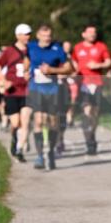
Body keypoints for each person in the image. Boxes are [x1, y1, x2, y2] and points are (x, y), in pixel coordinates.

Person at [27, 24, 71, 170]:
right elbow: (26, 61)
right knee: (38, 120)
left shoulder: (57, 49)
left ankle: (51, 152)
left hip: (52, 89)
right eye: (44, 35)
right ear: (38, 35)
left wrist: (52, 70)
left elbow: (68, 68)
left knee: (53, 122)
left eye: (49, 36)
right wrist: (26, 71)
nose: (47, 38)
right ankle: (40, 156)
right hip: (36, 88)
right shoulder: (31, 46)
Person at [72, 25, 111, 155]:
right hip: (83, 84)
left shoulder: (101, 46)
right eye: (89, 32)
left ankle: (92, 137)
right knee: (86, 112)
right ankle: (89, 143)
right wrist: (74, 72)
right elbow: (73, 63)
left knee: (94, 114)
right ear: (83, 34)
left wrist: (98, 65)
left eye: (94, 32)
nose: (92, 35)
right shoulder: (77, 48)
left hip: (97, 83)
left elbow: (108, 62)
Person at [0, 24, 32, 161]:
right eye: (25, 34)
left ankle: (19, 149)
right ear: (18, 35)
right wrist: (3, 81)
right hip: (12, 92)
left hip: (27, 91)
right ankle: (14, 139)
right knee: (16, 123)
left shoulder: (32, 50)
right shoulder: (10, 51)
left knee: (25, 122)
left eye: (29, 34)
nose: (27, 36)